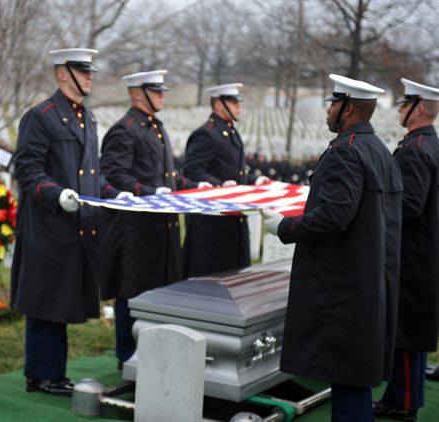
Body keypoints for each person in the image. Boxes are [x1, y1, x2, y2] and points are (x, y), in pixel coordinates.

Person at [263, 74, 403, 421]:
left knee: (347, 383)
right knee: (352, 380)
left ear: (349, 108)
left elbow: (333, 216)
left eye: (333, 104)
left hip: (342, 288)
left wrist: (283, 226)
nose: (328, 111)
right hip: (368, 280)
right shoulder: (378, 150)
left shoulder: (346, 151)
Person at [10, 48, 129, 396]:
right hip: (50, 225)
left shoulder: (86, 118)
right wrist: (55, 193)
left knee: (60, 300)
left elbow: (92, 174)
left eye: (90, 71)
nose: (90, 77)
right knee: (46, 300)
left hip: (77, 226)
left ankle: (54, 373)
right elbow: (27, 169)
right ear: (63, 74)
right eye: (82, 71)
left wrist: (113, 193)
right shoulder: (41, 117)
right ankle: (41, 375)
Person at [99, 70, 199, 369]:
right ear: (137, 94)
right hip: (137, 232)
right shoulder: (125, 130)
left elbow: (166, 175)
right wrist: (150, 192)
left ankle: (155, 355)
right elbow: (113, 175)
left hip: (162, 229)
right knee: (133, 295)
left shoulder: (155, 127)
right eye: (156, 91)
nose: (162, 96)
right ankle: (128, 357)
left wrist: (195, 186)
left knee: (161, 292)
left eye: (161, 91)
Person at [373, 78, 439, 421]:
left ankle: (404, 401)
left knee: (406, 331)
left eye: (405, 104)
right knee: (410, 330)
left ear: (420, 108)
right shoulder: (427, 143)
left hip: (412, 254)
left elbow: (409, 206)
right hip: (423, 251)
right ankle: (403, 396)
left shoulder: (416, 150)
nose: (400, 109)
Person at [182, 83, 268, 277]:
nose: (238, 107)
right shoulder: (206, 134)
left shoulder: (231, 133)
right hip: (213, 224)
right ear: (219, 105)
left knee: (235, 277)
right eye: (234, 103)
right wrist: (219, 185)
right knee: (213, 278)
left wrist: (254, 180)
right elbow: (192, 171)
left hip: (233, 218)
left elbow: (233, 173)